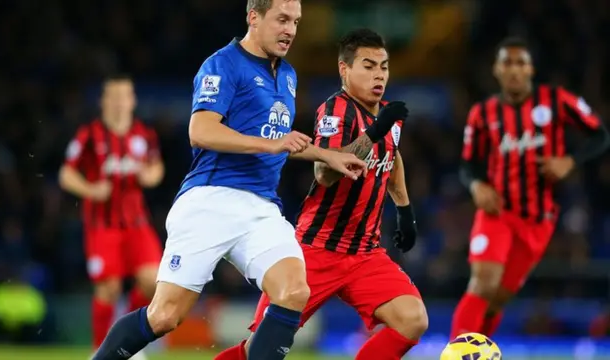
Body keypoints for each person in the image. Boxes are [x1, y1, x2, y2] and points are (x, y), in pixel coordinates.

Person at [90, 1, 367, 359]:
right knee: (165, 316)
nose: (291, 30)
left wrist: (329, 155)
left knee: (295, 291)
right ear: (254, 17)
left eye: (296, 22)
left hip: (262, 207)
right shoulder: (223, 64)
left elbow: (279, 139)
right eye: (282, 20)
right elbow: (201, 131)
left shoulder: (288, 75)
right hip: (211, 199)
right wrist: (272, 144)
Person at [214, 28, 428, 360]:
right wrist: (375, 130)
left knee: (413, 319)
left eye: (383, 67)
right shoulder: (335, 110)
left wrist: (404, 210)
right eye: (368, 66)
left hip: (364, 254)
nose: (379, 75)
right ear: (345, 70)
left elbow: (392, 155)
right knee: (261, 350)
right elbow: (325, 172)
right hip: (316, 250)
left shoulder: (387, 116)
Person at [452, 36, 610, 338]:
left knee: (497, 300)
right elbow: (467, 164)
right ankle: (457, 354)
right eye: (506, 63)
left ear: (531, 69)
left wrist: (570, 160)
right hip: (497, 210)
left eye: (520, 62)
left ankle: (478, 352)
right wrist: (475, 186)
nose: (513, 69)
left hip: (537, 220)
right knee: (483, 284)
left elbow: (599, 135)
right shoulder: (482, 114)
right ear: (496, 70)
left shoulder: (557, 101)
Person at [59, 74, 164, 360]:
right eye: (113, 96)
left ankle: (128, 343)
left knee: (153, 282)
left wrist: (148, 176)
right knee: (109, 287)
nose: (119, 102)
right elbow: (66, 174)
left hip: (137, 224)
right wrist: (91, 189)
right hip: (102, 226)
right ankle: (100, 349)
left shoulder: (144, 135)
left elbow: (157, 169)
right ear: (103, 101)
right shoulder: (88, 135)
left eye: (125, 96)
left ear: (133, 100)